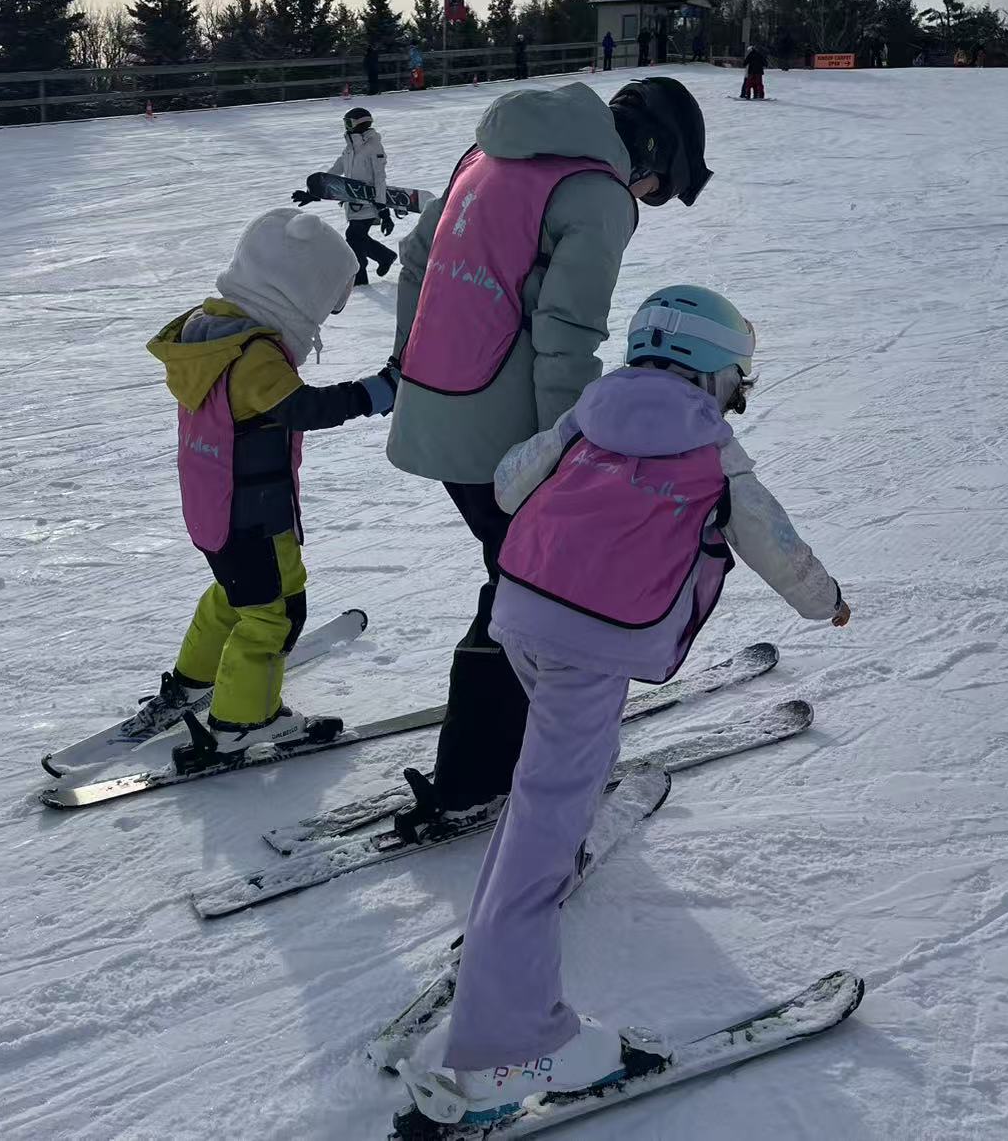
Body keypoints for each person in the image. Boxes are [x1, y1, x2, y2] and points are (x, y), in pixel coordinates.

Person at [410, 285, 849, 1118]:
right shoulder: (713, 449)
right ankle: (510, 1046)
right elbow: (771, 538)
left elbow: (508, 485)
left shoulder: (586, 412)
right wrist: (823, 598)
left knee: (557, 770)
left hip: (522, 618)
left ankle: (561, 811)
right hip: (592, 644)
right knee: (544, 820)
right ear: (715, 374)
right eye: (737, 382)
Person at [385, 78, 712, 838]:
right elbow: (565, 337)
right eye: (657, 187)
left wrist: (412, 363)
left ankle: (496, 750)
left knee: (513, 581)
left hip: (436, 412)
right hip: (498, 433)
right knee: (523, 597)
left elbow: (414, 259)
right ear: (650, 153)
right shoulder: (596, 194)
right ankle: (475, 774)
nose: (646, 199)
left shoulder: (488, 153)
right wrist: (566, 454)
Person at [137, 209, 395, 765]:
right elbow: (302, 407)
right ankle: (242, 720)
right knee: (275, 612)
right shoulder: (252, 356)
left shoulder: (209, 332)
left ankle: (191, 681)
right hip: (255, 512)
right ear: (297, 288)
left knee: (234, 595)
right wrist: (378, 391)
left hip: (211, 506)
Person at [302, 107, 396, 285]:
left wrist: (382, 208)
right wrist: (313, 192)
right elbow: (334, 173)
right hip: (352, 202)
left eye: (349, 122)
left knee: (354, 237)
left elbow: (380, 178)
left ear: (360, 123)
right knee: (357, 238)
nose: (346, 127)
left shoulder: (373, 147)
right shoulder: (349, 148)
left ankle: (360, 279)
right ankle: (385, 256)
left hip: (370, 202)